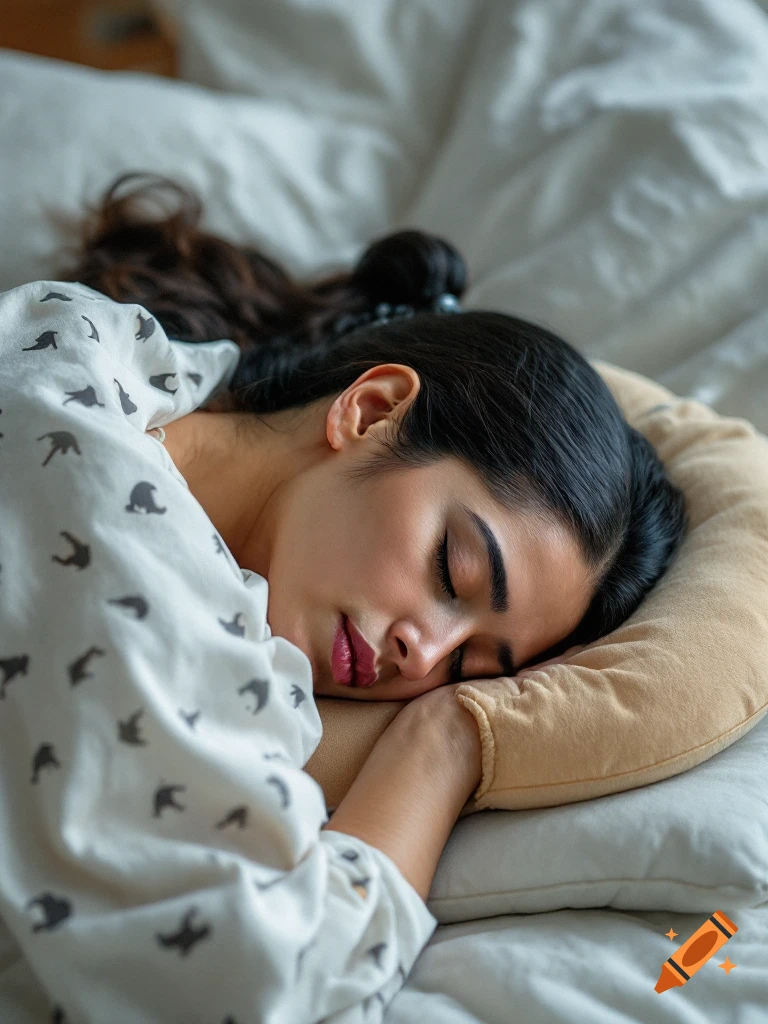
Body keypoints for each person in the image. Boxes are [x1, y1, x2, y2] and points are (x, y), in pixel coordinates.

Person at [0, 171, 686, 1023]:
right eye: (453, 569)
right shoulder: (109, 514)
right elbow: (259, 979)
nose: (424, 656)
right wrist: (442, 747)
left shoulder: (93, 355)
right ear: (370, 408)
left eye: (472, 666)